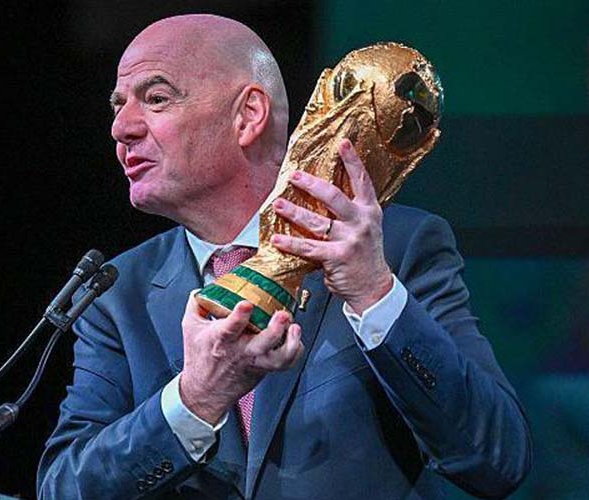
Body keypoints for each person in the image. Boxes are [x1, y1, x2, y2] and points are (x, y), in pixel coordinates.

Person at [37, 14, 530, 499]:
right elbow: (63, 487)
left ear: (248, 115)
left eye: (156, 99)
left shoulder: (398, 248)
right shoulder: (116, 294)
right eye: (118, 105)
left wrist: (373, 293)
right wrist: (195, 400)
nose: (121, 127)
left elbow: (497, 458)